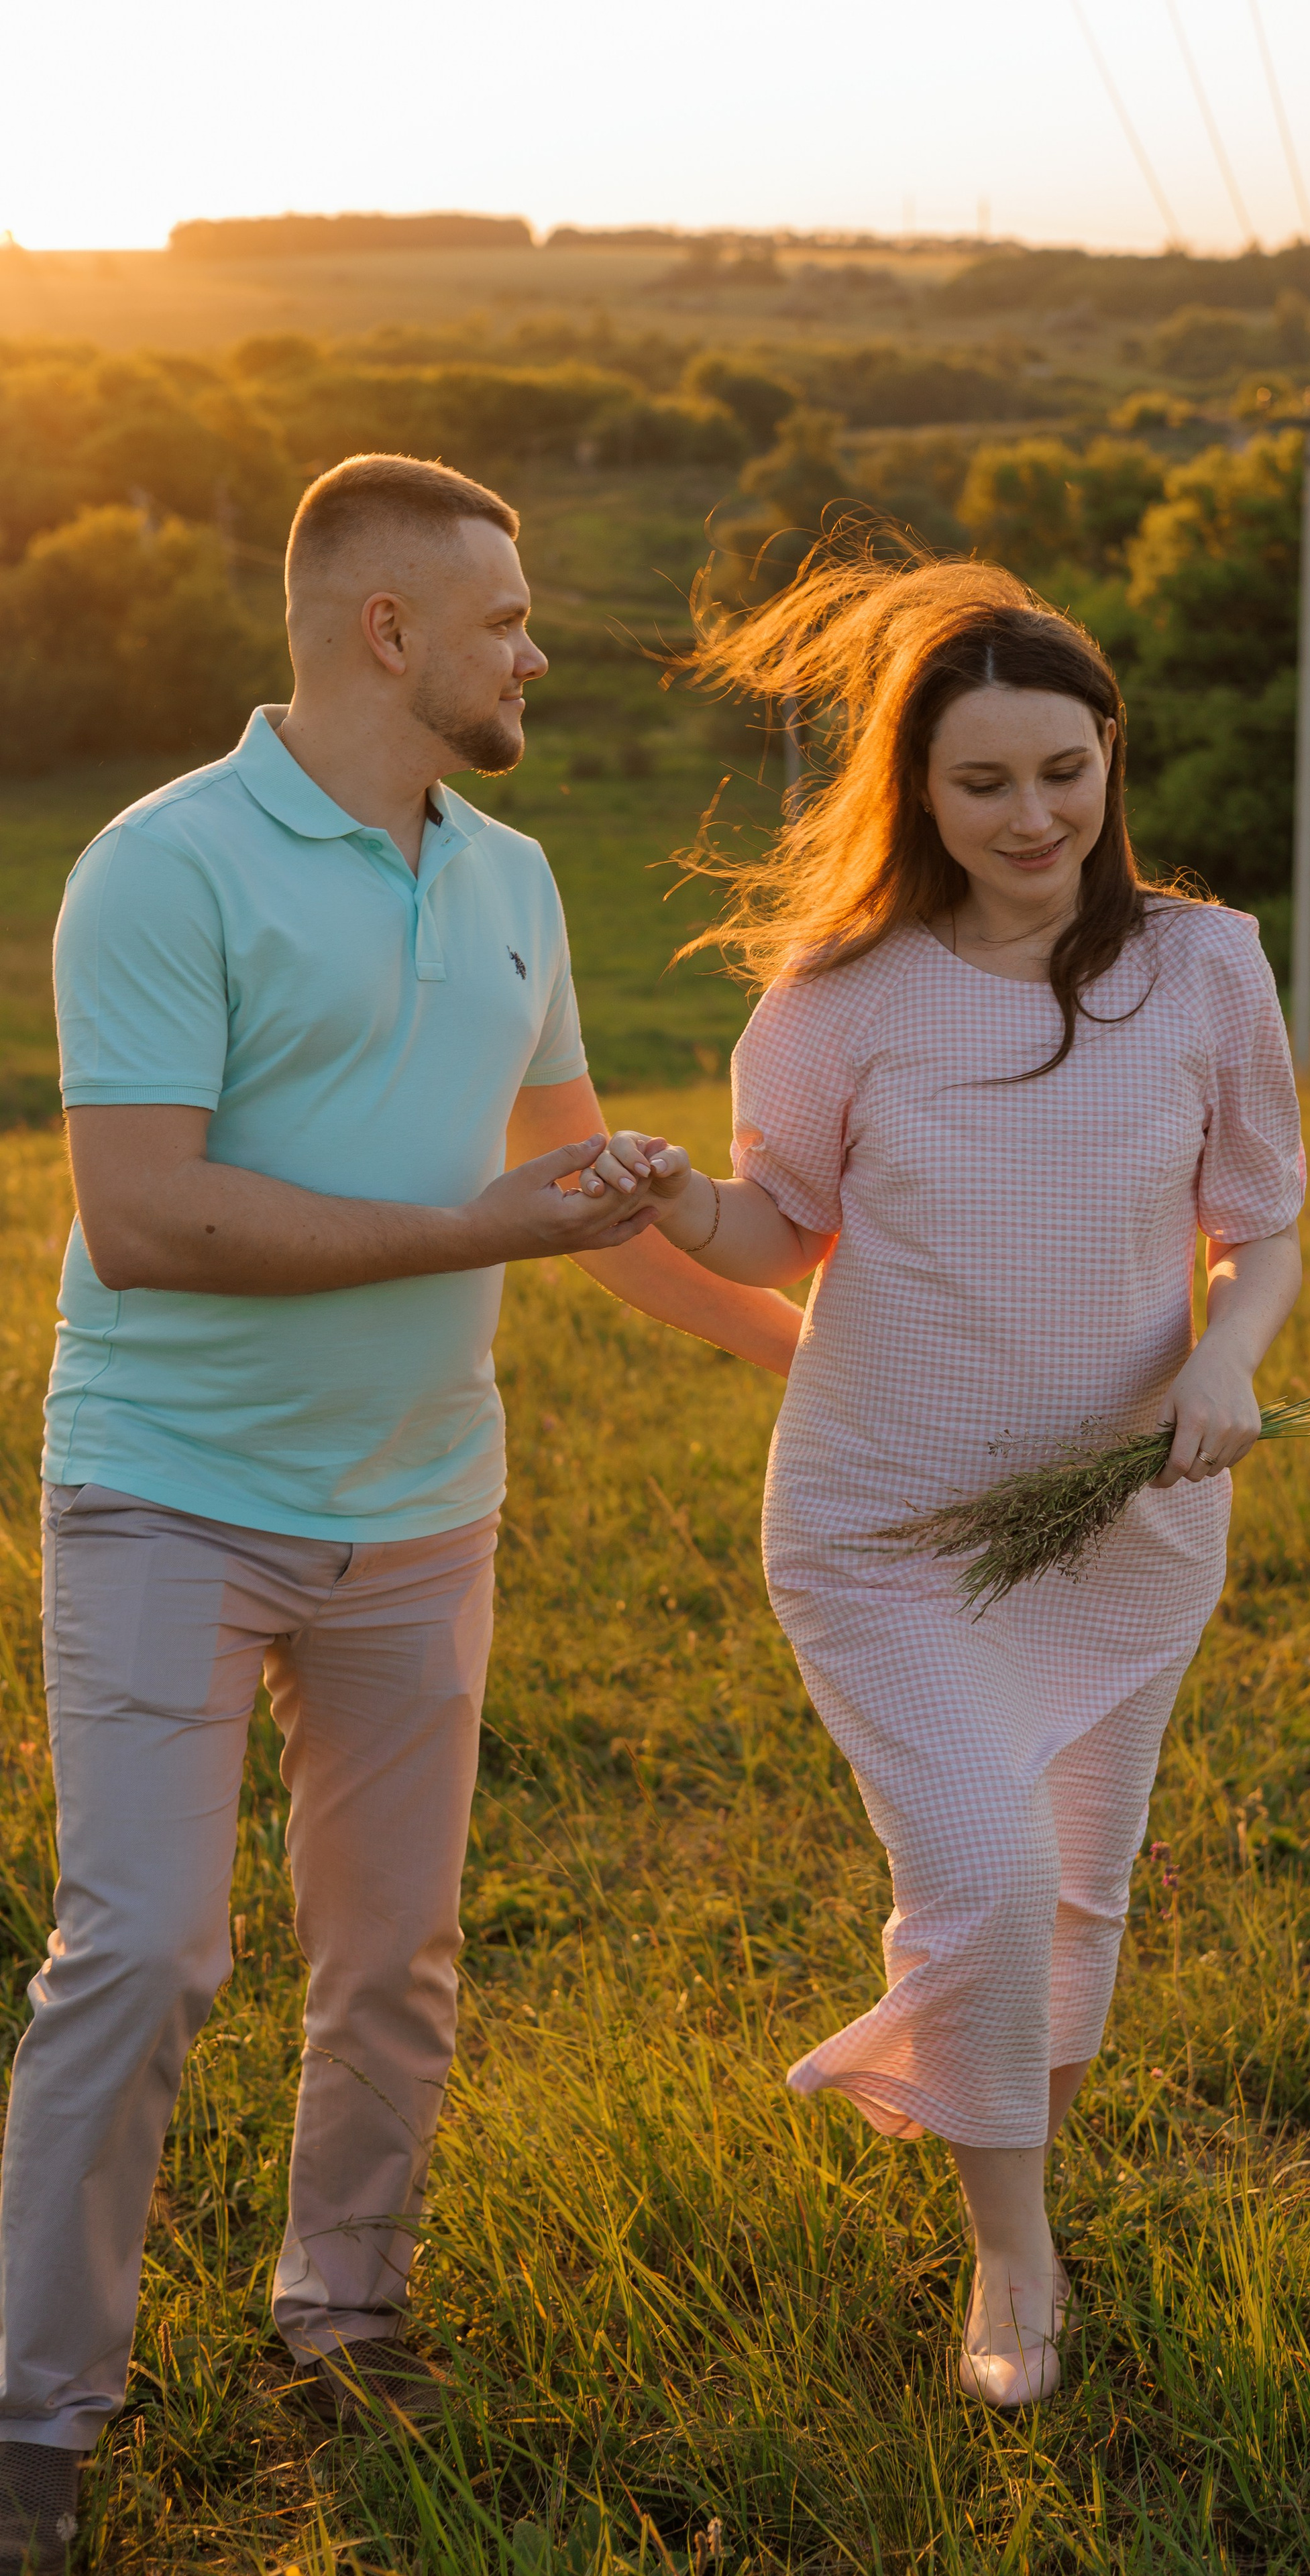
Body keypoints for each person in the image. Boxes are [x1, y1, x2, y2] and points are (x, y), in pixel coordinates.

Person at [0, 452, 801, 2574]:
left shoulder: (516, 880)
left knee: (394, 1957)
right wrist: (474, 1227)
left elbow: (587, 1204)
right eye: (507, 620)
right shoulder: (164, 866)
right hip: (170, 1493)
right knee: (141, 1950)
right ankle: (33, 2422)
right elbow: (148, 1217)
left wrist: (829, 1363)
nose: (536, 652)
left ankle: (345, 2316)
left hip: (425, 1504)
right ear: (389, 630)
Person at [576, 548, 1305, 2408]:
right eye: (983, 781)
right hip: (885, 1523)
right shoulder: (840, 998)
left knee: (1079, 1891)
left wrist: (1226, 1353)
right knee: (981, 1873)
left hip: (1126, 1521)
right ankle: (1011, 2251)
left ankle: (1012, 2155)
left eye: (1064, 769)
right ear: (918, 789)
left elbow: (1264, 1224)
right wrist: (679, 1199)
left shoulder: (1205, 964)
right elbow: (778, 1229)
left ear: (1112, 754)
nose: (1032, 815)